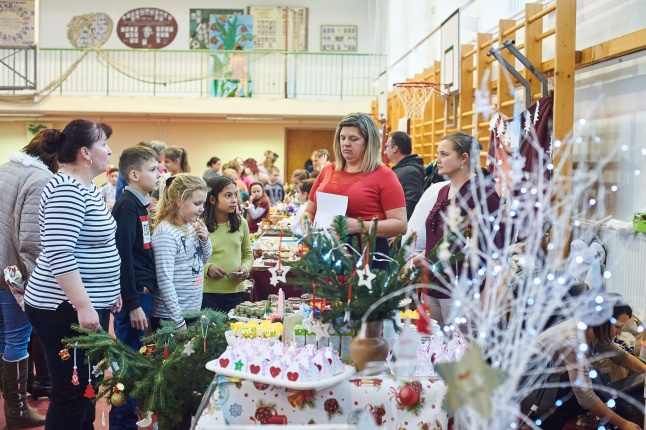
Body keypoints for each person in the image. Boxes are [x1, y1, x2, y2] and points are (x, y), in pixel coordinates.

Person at [25, 119, 122, 429]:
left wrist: (111, 291)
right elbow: (59, 254)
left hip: (85, 303)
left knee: (87, 389)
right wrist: (83, 304)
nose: (109, 151)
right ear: (85, 153)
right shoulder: (65, 190)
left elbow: (96, 246)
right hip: (62, 307)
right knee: (72, 393)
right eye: (103, 145)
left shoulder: (85, 187)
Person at [410, 131, 502, 326]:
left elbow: (496, 250)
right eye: (438, 154)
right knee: (433, 352)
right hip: (433, 285)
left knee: (460, 353)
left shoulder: (484, 195)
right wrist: (425, 255)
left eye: (444, 154)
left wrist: (487, 295)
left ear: (463, 158)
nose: (437, 160)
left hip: (463, 292)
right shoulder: (443, 190)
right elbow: (440, 237)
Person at [0, 130, 59, 427]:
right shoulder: (41, 180)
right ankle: (17, 408)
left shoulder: (7, 168)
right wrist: (38, 283)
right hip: (12, 272)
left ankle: (13, 402)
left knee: (5, 337)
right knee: (17, 339)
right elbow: (33, 240)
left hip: (1, 266)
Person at [302, 112, 407, 269]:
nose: (345, 143)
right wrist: (307, 230)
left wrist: (358, 226)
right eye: (342, 138)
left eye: (353, 139)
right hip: (324, 254)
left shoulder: (385, 175)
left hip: (366, 258)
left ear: (368, 142)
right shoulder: (328, 169)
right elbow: (309, 212)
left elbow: (400, 225)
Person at [531, 301, 646, 430]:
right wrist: (624, 424)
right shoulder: (573, 340)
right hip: (533, 388)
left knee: (593, 382)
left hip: (550, 377)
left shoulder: (593, 328)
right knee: (581, 394)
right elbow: (585, 397)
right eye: (617, 327)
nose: (619, 333)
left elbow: (620, 356)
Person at [109, 146, 160, 430]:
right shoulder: (127, 205)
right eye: (153, 169)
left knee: (135, 360)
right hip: (136, 295)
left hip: (143, 292)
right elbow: (123, 257)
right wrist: (132, 303)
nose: (158, 174)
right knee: (127, 363)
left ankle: (127, 420)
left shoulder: (140, 204)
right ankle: (122, 423)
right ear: (134, 174)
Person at [150, 174, 211, 331]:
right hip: (170, 317)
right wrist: (178, 322)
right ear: (179, 201)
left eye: (203, 204)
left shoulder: (191, 224)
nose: (202, 209)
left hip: (191, 309)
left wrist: (205, 240)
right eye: (197, 203)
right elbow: (165, 281)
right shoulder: (166, 233)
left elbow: (202, 262)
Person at [202, 177, 253, 313]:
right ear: (212, 199)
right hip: (206, 292)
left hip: (234, 292)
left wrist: (245, 268)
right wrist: (207, 268)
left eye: (235, 194)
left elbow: (248, 255)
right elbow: (190, 259)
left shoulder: (241, 223)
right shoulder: (200, 225)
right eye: (228, 195)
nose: (234, 200)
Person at [385, 131, 425, 220]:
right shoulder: (403, 169)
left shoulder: (410, 172)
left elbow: (411, 205)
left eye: (387, 146)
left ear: (395, 149)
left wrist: (395, 225)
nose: (385, 150)